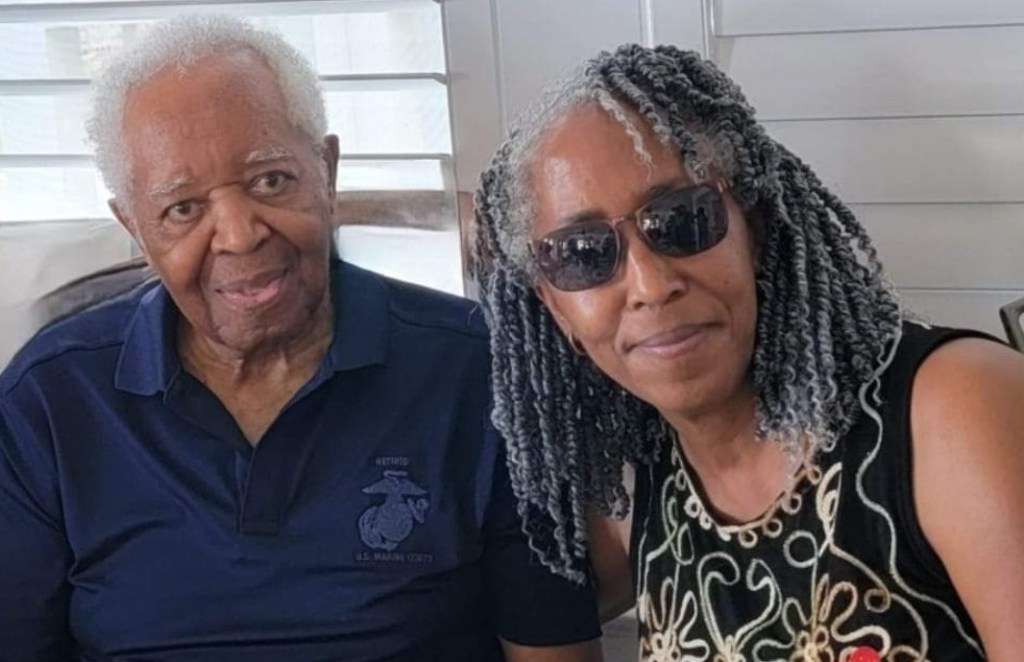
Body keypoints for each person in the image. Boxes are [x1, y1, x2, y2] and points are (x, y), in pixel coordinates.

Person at [0, 16, 603, 661]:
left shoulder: (483, 372)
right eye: (183, 208)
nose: (240, 235)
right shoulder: (50, 403)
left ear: (327, 171)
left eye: (271, 180)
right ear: (135, 229)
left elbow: (554, 650)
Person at [472, 44, 1024, 660]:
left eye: (683, 219)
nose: (651, 285)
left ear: (753, 228)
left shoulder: (955, 411)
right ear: (556, 308)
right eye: (583, 253)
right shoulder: (640, 492)